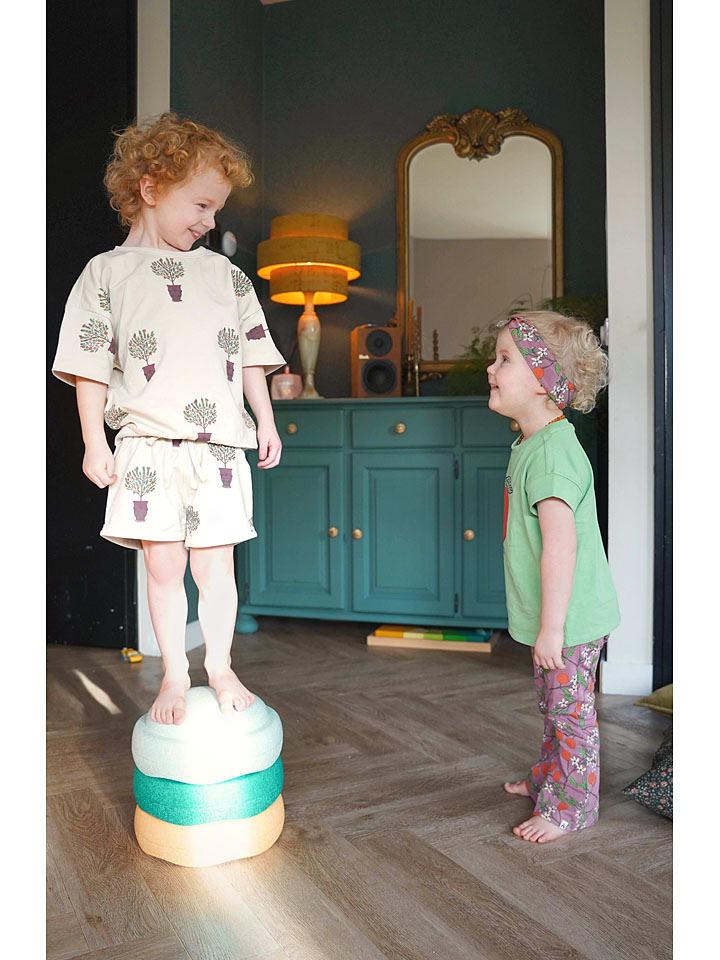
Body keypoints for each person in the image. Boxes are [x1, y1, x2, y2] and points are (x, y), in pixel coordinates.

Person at [52, 113, 286, 725]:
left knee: (216, 566)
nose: (210, 222)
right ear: (151, 189)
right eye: (201, 205)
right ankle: (175, 675)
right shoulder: (105, 273)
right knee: (162, 566)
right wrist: (93, 442)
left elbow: (253, 354)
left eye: (217, 209)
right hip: (146, 447)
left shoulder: (226, 275)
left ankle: (221, 666)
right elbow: (88, 366)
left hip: (218, 449)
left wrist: (264, 420)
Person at [486, 311, 620, 842]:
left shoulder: (552, 454)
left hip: (571, 620)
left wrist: (552, 629)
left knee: (570, 713)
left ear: (544, 381)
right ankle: (550, 776)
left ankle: (571, 807)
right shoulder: (534, 443)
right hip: (560, 618)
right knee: (555, 704)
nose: (491, 369)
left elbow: (561, 547)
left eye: (504, 359)